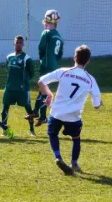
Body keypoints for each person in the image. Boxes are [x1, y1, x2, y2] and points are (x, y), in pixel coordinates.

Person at [38, 45, 102, 176]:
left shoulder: (63, 71)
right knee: (76, 137)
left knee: (52, 134)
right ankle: (74, 163)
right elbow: (96, 105)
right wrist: (99, 102)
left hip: (56, 113)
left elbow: (41, 81)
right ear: (88, 61)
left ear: (74, 58)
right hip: (73, 117)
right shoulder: (90, 80)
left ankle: (58, 157)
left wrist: (49, 95)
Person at [27, 9, 64, 127]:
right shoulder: (59, 37)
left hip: (46, 65)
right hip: (54, 66)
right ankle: (42, 116)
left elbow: (41, 48)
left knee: (43, 89)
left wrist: (43, 58)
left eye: (46, 22)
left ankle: (36, 112)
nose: (45, 24)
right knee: (43, 90)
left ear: (49, 22)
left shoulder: (46, 33)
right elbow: (60, 54)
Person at [1, 35, 36, 137]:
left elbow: (32, 73)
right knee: (5, 107)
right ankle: (4, 129)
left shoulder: (27, 58)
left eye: (20, 43)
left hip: (22, 89)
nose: (18, 44)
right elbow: (8, 70)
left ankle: (32, 129)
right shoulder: (9, 57)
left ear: (23, 44)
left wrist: (24, 82)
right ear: (14, 43)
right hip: (9, 87)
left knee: (28, 108)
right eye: (17, 42)